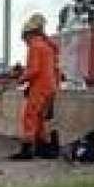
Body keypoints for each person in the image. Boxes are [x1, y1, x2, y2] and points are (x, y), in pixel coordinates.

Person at [16, 14, 62, 158]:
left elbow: (34, 69)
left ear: (28, 34)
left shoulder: (35, 46)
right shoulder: (49, 47)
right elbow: (55, 69)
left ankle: (27, 149)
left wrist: (21, 79)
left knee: (29, 116)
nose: (25, 43)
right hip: (51, 86)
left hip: (40, 87)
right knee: (41, 118)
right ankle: (43, 148)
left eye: (25, 39)